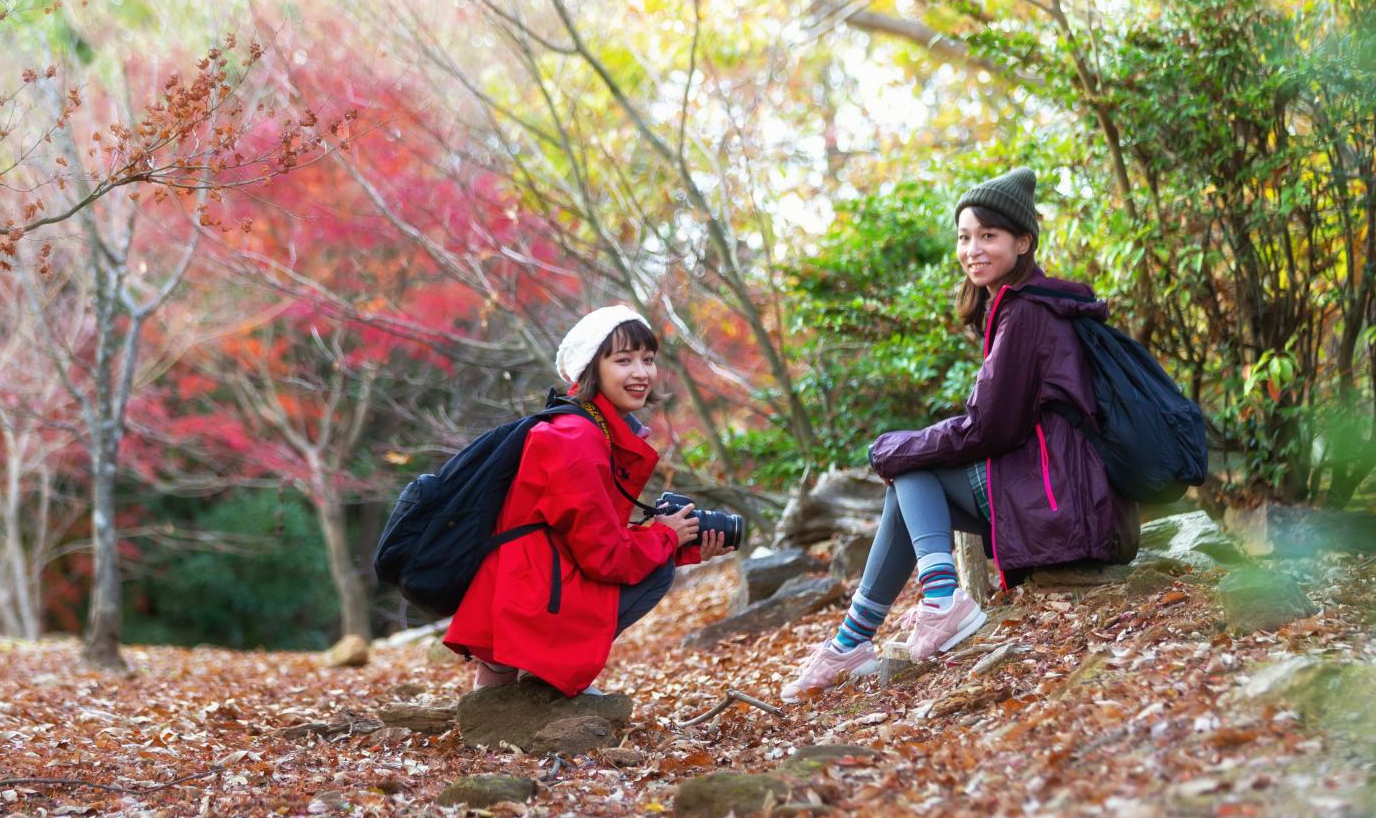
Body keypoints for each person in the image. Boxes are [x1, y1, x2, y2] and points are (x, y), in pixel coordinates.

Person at [781, 167, 1139, 701]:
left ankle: (939, 601)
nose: (973, 248)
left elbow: (989, 428)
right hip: (1064, 499)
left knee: (912, 469)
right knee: (909, 481)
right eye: (964, 237)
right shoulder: (1024, 306)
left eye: (988, 236)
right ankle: (854, 640)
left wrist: (895, 447)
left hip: (1063, 504)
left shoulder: (1028, 314)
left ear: (1023, 241)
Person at [445, 306, 734, 696]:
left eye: (647, 360)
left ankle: (509, 687)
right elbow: (603, 556)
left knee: (656, 561)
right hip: (529, 594)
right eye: (623, 360)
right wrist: (665, 539)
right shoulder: (576, 439)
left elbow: (587, 535)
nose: (641, 373)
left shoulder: (581, 427)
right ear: (590, 370)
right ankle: (538, 685)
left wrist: (681, 542)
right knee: (657, 571)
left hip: (521, 585)